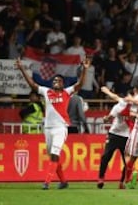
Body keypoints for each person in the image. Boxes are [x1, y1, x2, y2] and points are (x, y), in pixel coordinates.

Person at [15, 57, 90, 190]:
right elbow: (32, 84)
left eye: (59, 80)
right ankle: (63, 181)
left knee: (55, 154)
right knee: (53, 156)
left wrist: (85, 69)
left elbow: (80, 84)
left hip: (60, 129)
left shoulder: (67, 92)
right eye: (54, 80)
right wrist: (22, 69)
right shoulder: (46, 91)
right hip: (48, 129)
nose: (56, 82)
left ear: (62, 83)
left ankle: (47, 182)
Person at [97, 88, 134, 189]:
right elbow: (109, 117)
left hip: (127, 137)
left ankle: (122, 182)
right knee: (105, 157)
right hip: (114, 134)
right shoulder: (119, 106)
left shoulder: (136, 107)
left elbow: (115, 96)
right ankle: (101, 178)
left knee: (127, 161)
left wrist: (107, 92)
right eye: (130, 96)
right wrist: (106, 118)